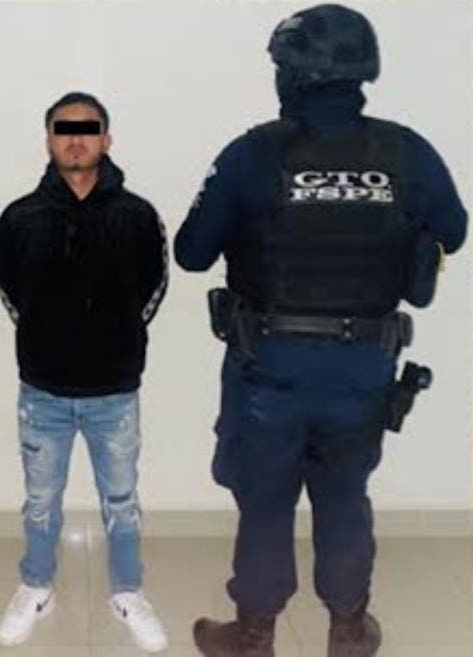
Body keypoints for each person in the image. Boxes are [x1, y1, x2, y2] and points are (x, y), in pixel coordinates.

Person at [173, 6, 467, 657]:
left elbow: (191, 252)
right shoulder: (407, 151)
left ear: (293, 73)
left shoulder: (253, 152)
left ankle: (254, 633)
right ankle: (349, 627)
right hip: (365, 364)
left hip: (270, 360)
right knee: (344, 494)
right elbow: (454, 228)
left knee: (266, 499)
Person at [0, 92, 169, 652]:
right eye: (64, 129)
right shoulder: (19, 218)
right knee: (40, 500)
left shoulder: (138, 216)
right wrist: (48, 340)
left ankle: (128, 591)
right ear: (48, 140)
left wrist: (114, 341)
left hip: (114, 391)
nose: (76, 140)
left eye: (87, 129)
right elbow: (10, 290)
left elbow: (153, 287)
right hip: (42, 390)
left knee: (121, 499)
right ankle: (36, 585)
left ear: (106, 140)